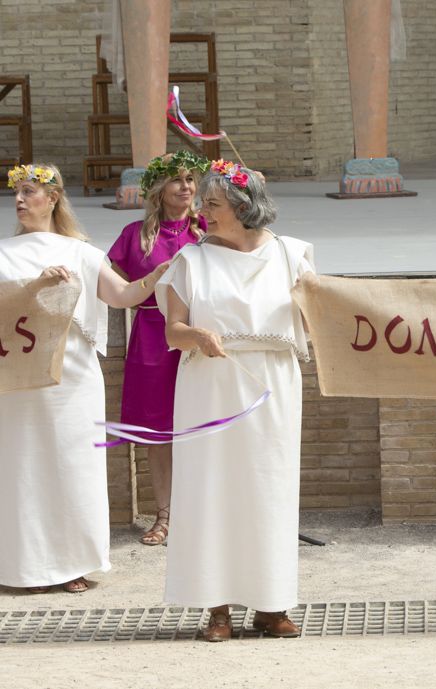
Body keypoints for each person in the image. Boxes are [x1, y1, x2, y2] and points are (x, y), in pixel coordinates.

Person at [157, 159, 313, 642]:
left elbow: (317, 317)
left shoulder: (292, 254)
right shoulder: (191, 260)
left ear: (245, 207)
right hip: (211, 384)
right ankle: (217, 608)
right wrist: (197, 334)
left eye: (213, 203)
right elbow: (172, 331)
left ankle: (271, 605)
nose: (202, 210)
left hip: (272, 383)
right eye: (203, 202)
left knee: (268, 489)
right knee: (212, 490)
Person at [0, 163, 168, 594]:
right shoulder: (2, 253)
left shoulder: (82, 252)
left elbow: (125, 295)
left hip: (73, 379)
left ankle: (74, 563)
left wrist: (158, 273)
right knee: (23, 466)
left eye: (29, 192)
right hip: (20, 378)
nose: (19, 200)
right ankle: (26, 568)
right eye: (16, 192)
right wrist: (36, 286)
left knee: (74, 464)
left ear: (53, 198)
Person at [107, 151, 209, 546]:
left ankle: (200, 513)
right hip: (151, 337)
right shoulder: (135, 234)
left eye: (189, 180)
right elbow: (113, 287)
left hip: (195, 337)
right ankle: (164, 516)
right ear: (159, 189)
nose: (185, 187)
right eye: (176, 180)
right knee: (157, 433)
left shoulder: (208, 229)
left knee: (199, 425)